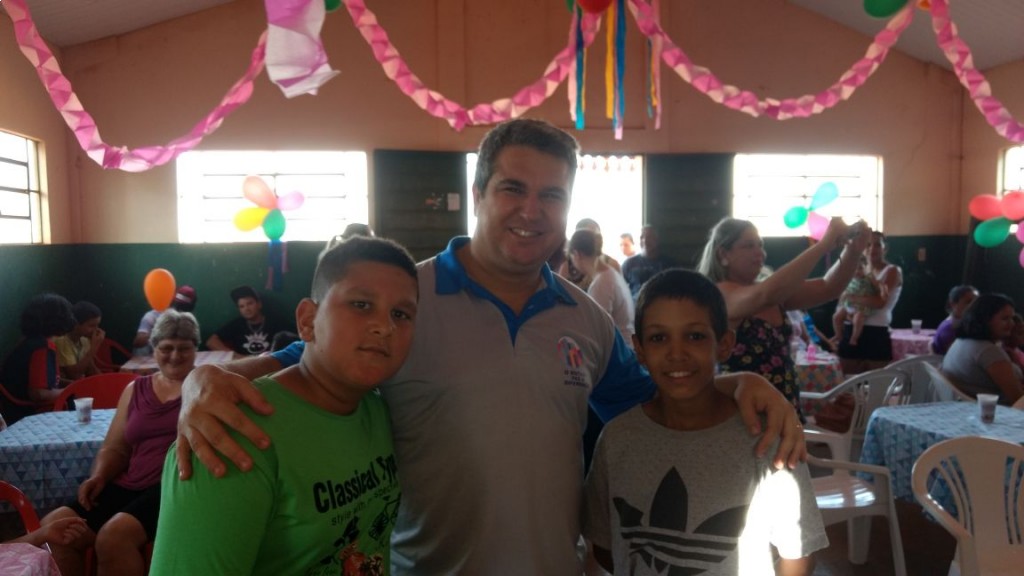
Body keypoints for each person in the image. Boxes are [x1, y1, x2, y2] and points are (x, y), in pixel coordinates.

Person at [173, 119, 805, 575]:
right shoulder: (404, 302)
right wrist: (204, 380)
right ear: (477, 194)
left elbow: (660, 400)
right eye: (512, 188)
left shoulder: (586, 320)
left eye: (552, 195)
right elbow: (306, 367)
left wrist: (738, 383)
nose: (532, 210)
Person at [151, 237, 418, 575]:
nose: (385, 326)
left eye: (401, 314)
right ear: (307, 320)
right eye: (361, 304)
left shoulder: (379, 411)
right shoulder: (227, 432)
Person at [583, 269, 827, 575]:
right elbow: (606, 547)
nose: (677, 353)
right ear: (639, 349)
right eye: (659, 338)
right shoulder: (616, 440)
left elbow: (798, 556)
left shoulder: (766, 440)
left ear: (724, 344)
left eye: (695, 336)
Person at [39, 310, 198, 576]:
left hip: (175, 486)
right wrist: (99, 476)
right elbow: (116, 447)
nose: (174, 356)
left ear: (195, 349)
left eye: (184, 348)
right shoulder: (135, 389)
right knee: (55, 528)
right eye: (166, 348)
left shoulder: (205, 387)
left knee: (113, 537)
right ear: (154, 349)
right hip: (129, 483)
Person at [697, 217, 870, 417]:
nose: (759, 252)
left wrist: (853, 251)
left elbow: (828, 287)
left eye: (760, 245)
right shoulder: (720, 295)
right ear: (723, 254)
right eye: (749, 246)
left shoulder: (771, 293)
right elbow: (765, 294)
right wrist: (823, 245)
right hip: (743, 412)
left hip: (784, 406)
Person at [0, 293, 76, 424]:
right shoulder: (43, 347)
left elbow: (46, 380)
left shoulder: (26, 341)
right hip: (26, 417)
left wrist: (71, 384)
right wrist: (72, 389)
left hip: (10, 411)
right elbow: (39, 394)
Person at [836, 231, 903, 374]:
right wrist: (846, 312)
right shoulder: (857, 270)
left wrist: (853, 299)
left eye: (877, 245)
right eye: (868, 245)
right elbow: (843, 299)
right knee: (848, 383)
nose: (872, 248)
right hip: (850, 330)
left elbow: (879, 302)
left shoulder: (892, 271)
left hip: (876, 334)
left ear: (885, 248)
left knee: (877, 384)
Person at [942, 293, 1024, 406]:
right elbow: (1017, 398)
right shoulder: (988, 351)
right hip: (1000, 412)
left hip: (973, 408)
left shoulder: (961, 342)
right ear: (985, 320)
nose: (1012, 324)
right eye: (1005, 318)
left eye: (1012, 318)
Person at [568, 228, 635, 348]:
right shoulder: (610, 274)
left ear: (577, 254)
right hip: (625, 347)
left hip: (619, 352)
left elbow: (596, 332)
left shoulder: (602, 284)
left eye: (571, 256)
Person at [205, 285, 289, 356]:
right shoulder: (237, 324)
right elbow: (211, 341)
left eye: (250, 303)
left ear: (259, 304)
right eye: (242, 306)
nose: (246, 309)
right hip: (244, 365)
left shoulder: (275, 322)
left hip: (270, 365)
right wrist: (235, 356)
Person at [830, 256, 881, 347]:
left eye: (860, 268)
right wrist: (842, 300)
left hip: (862, 306)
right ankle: (838, 335)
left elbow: (878, 288)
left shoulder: (869, 278)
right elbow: (844, 293)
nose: (857, 271)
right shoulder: (850, 279)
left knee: (858, 319)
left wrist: (874, 282)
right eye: (854, 269)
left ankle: (854, 337)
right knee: (836, 317)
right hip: (849, 304)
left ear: (866, 268)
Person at [131, 285, 197, 356]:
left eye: (185, 309)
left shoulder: (187, 319)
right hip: (147, 358)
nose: (181, 311)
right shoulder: (152, 316)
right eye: (179, 306)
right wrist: (163, 331)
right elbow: (138, 342)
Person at [54, 301, 105, 380]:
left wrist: (106, 381)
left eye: (97, 325)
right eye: (92, 326)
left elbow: (91, 369)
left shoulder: (84, 339)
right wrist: (94, 348)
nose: (96, 330)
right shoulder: (62, 340)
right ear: (75, 324)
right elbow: (74, 375)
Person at [622, 224, 675, 298]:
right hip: (635, 304)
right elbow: (620, 290)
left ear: (657, 240)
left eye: (649, 237)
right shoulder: (629, 264)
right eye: (642, 237)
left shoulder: (669, 264)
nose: (645, 241)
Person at [930, 284, 979, 355]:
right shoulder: (950, 328)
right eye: (968, 302)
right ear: (953, 304)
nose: (974, 305)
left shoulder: (962, 324)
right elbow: (956, 356)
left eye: (976, 302)